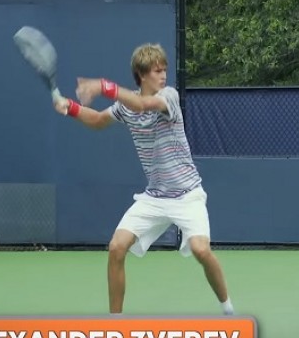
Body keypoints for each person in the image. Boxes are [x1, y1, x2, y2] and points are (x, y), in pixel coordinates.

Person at [52, 43, 234, 315]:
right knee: (116, 247)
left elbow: (143, 103)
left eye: (164, 70)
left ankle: (228, 309)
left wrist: (103, 86)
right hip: (154, 197)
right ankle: (115, 325)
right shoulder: (125, 108)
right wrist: (72, 108)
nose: (163, 76)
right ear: (141, 74)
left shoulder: (168, 97)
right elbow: (100, 120)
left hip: (188, 195)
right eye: (157, 71)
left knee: (201, 250)